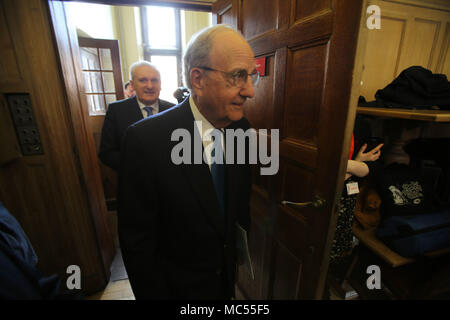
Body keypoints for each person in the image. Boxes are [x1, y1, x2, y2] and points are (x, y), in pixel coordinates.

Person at [117, 24, 258, 300]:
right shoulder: (145, 141)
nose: (250, 91)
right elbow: (138, 244)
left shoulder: (242, 129)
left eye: (252, 76)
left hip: (224, 282)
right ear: (198, 79)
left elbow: (239, 202)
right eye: (238, 76)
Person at [98, 62, 175, 171]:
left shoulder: (173, 110)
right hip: (134, 180)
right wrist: (138, 166)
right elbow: (106, 153)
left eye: (154, 80)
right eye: (143, 80)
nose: (150, 86)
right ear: (132, 84)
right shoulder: (116, 111)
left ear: (160, 84)